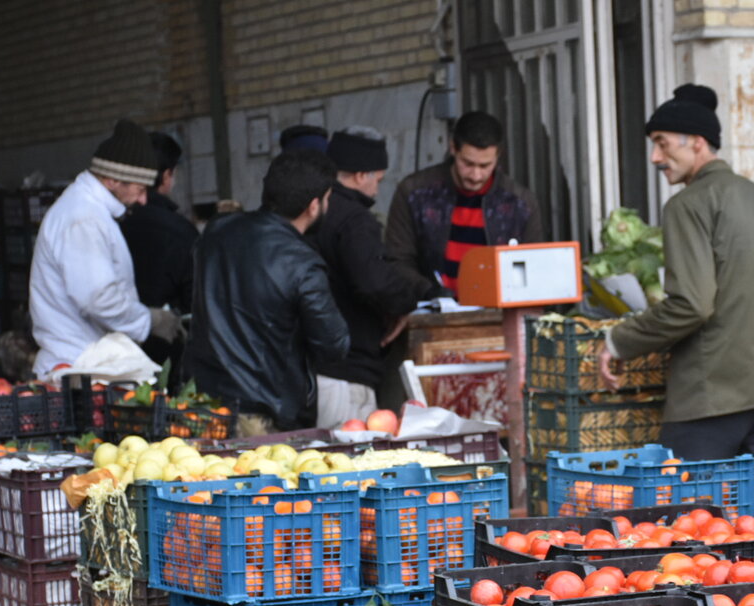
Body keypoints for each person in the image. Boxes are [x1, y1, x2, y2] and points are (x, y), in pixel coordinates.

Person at [597, 84, 754, 533]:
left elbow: (691, 305)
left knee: (685, 523)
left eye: (662, 144)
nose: (655, 157)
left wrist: (618, 340)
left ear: (696, 142)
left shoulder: (688, 205)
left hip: (715, 391)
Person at [185, 150, 349, 436]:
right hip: (264, 414)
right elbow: (334, 345)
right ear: (314, 206)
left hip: (201, 406)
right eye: (327, 199)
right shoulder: (301, 261)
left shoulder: (216, 231)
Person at [29, 118, 183, 377]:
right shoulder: (84, 218)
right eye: (140, 189)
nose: (143, 200)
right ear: (112, 179)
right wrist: (149, 320)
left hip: (90, 362)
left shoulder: (90, 212)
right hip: (78, 366)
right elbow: (99, 298)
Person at [312, 127, 427, 428]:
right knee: (351, 454)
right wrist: (411, 300)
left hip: (314, 368)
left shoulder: (312, 211)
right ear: (362, 176)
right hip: (347, 372)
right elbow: (375, 283)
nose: (377, 189)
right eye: (378, 179)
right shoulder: (354, 221)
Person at [386, 110, 543, 299]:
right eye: (468, 164)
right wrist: (428, 291)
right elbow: (398, 259)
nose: (476, 175)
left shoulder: (520, 203)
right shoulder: (414, 193)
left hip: (498, 310)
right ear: (453, 148)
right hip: (432, 308)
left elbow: (534, 267)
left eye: (485, 166)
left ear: (498, 156)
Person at [119, 131, 198, 366]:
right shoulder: (182, 231)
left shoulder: (114, 224)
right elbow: (195, 301)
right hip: (168, 352)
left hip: (116, 350)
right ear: (166, 176)